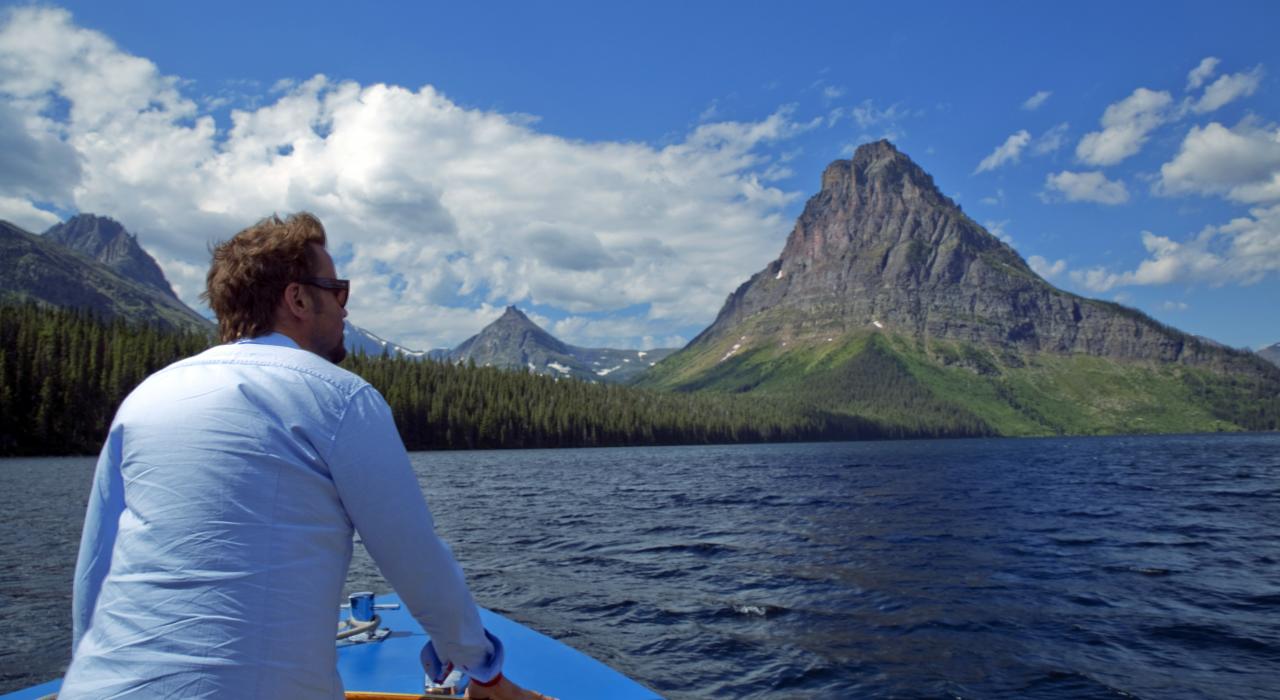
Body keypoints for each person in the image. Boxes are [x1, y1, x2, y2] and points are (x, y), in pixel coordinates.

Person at [62, 213, 549, 699]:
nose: (344, 311)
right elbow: (415, 559)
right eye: (338, 292)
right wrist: (483, 669)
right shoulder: (339, 397)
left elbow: (95, 570)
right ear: (297, 298)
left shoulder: (146, 397)